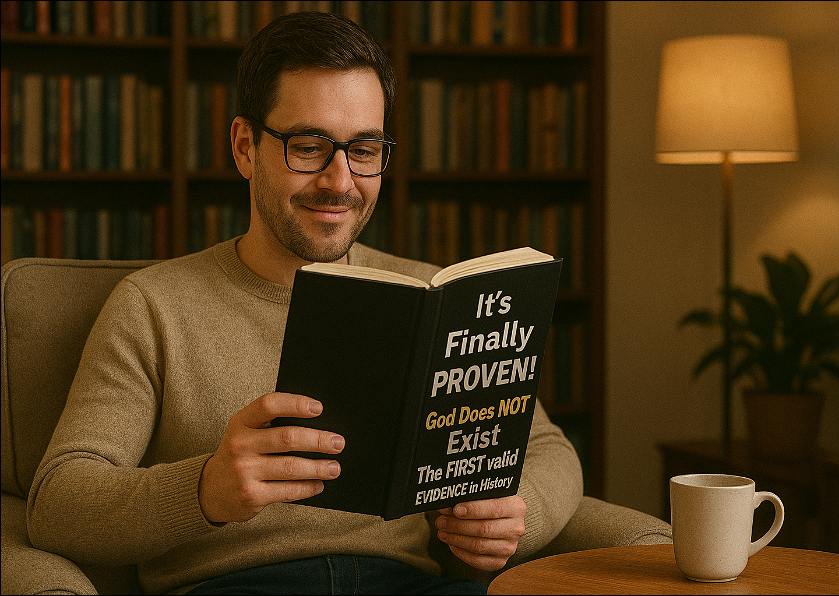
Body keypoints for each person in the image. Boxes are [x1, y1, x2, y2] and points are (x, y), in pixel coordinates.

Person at [26, 11, 583, 595]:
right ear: (245, 147)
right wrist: (205, 490)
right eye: (309, 146)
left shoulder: (432, 296)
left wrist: (517, 511)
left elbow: (549, 448)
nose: (340, 182)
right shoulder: (153, 306)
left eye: (364, 149)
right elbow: (57, 503)